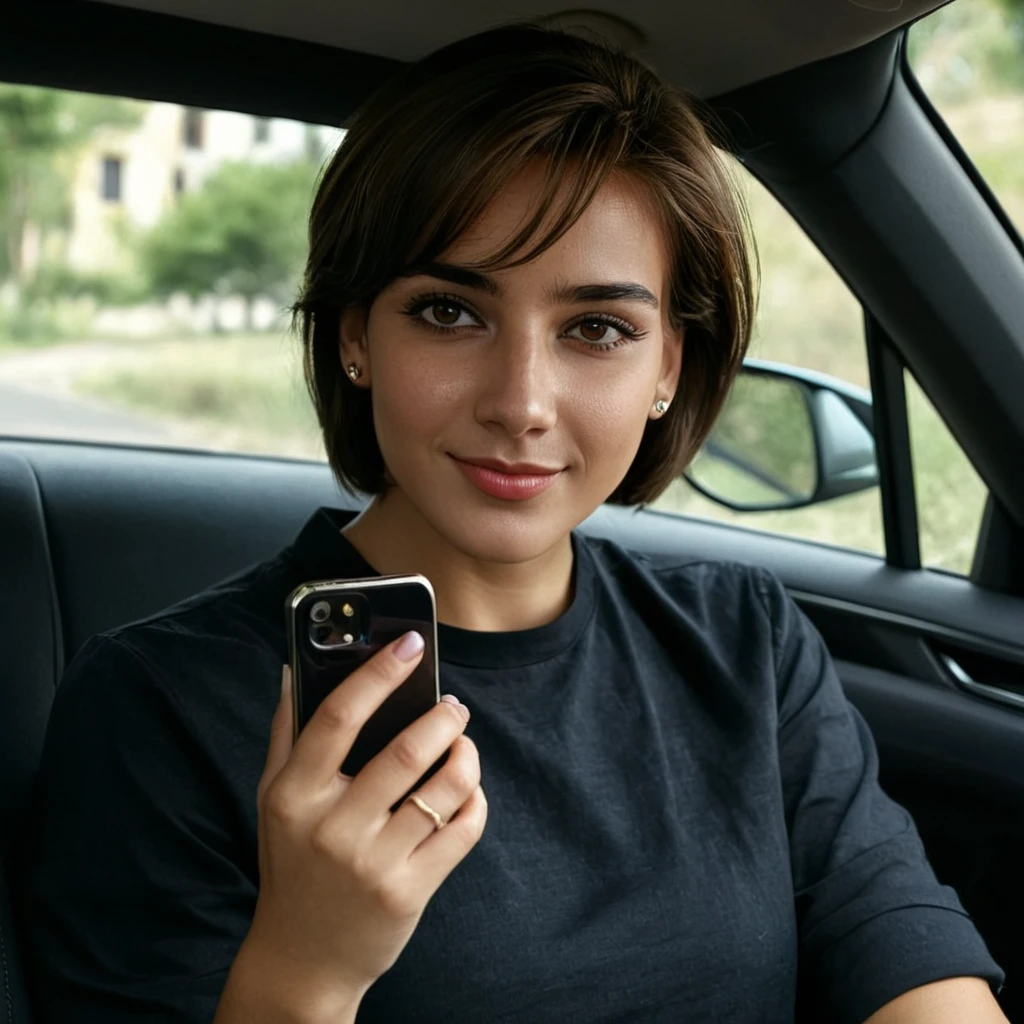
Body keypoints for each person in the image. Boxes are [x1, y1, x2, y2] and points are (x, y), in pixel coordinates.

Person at [17, 23, 1007, 1024]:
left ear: (668, 365)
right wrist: (308, 964)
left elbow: (913, 968)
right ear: (355, 332)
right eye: (450, 311)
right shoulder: (163, 705)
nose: (521, 402)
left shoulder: (745, 644)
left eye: (597, 328)